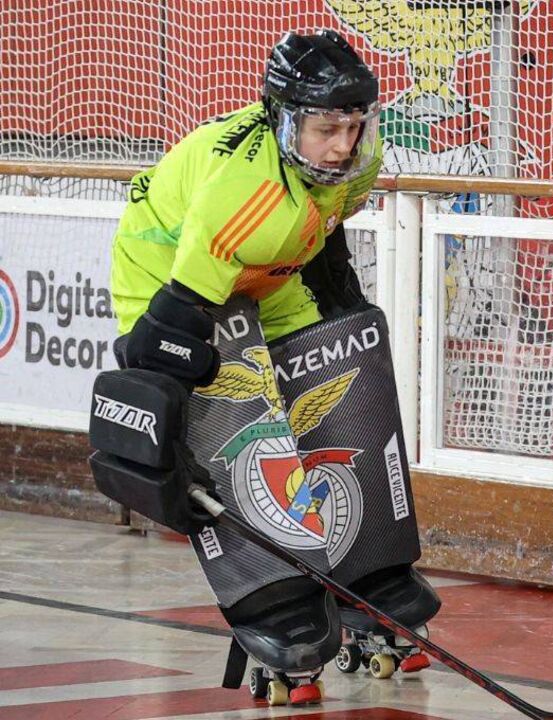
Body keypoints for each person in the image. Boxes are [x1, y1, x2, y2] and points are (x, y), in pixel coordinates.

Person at [95, 30, 439, 705]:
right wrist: (171, 430)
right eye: (324, 128)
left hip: (268, 269)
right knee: (233, 409)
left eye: (353, 124)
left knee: (341, 371)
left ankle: (365, 571)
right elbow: (167, 327)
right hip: (170, 279)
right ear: (285, 124)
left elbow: (323, 237)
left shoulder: (350, 163)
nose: (343, 144)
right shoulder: (243, 198)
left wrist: (340, 316)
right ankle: (271, 596)